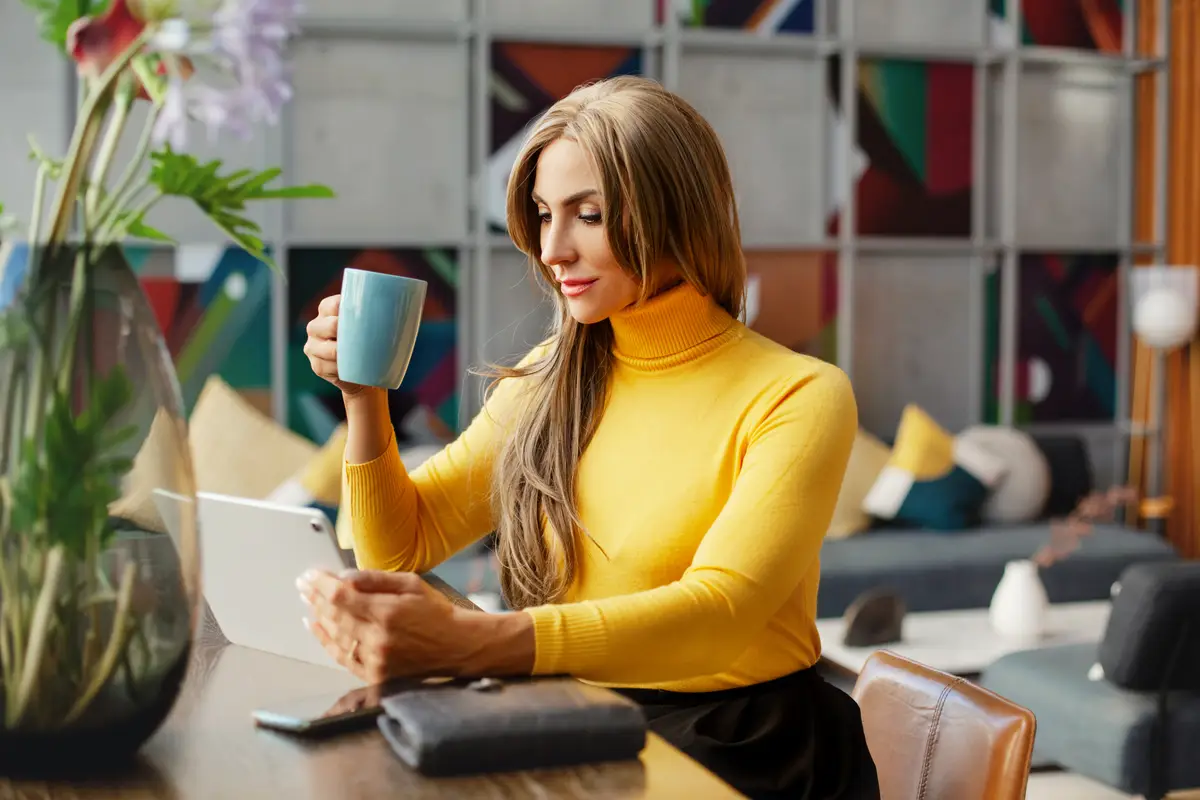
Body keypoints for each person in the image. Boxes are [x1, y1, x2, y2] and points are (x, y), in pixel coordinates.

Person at [297, 75, 879, 799]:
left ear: (678, 214)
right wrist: (364, 400)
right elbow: (398, 547)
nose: (553, 249)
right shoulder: (551, 376)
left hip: (740, 749)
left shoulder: (797, 395)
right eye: (543, 215)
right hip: (576, 717)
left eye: (590, 215)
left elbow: (720, 614)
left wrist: (478, 642)